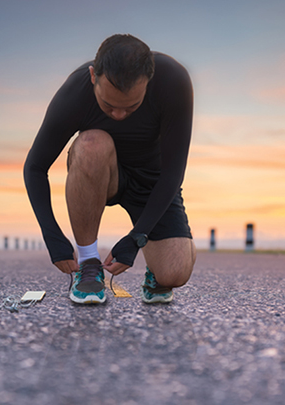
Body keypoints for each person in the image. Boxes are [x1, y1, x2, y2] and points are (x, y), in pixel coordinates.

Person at [24, 34, 196, 304]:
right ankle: (89, 263)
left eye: (131, 107)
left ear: (148, 82)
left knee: (174, 274)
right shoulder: (75, 91)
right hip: (99, 171)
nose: (117, 114)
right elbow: (35, 167)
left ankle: (156, 268)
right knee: (92, 143)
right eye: (108, 105)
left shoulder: (174, 81)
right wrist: (52, 234)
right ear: (94, 76)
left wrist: (137, 237)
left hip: (152, 181)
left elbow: (174, 173)